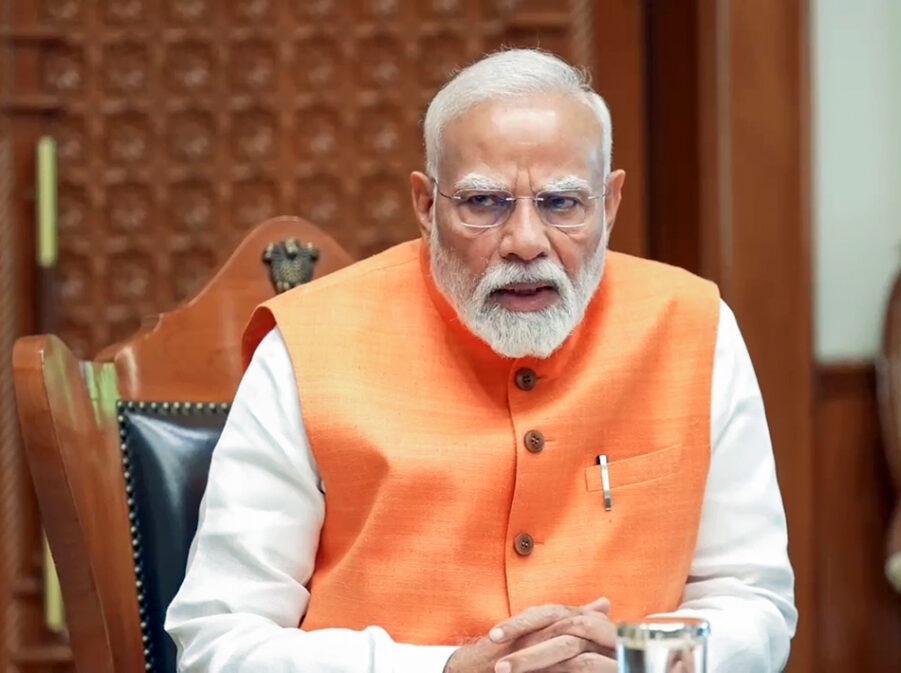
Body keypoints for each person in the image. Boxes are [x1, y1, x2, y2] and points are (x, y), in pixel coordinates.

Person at [166, 48, 797, 673]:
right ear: (425, 205)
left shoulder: (694, 328)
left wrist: (645, 661)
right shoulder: (304, 347)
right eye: (484, 203)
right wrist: (442, 672)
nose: (525, 242)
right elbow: (219, 638)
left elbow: (755, 599)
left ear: (608, 204)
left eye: (562, 204)